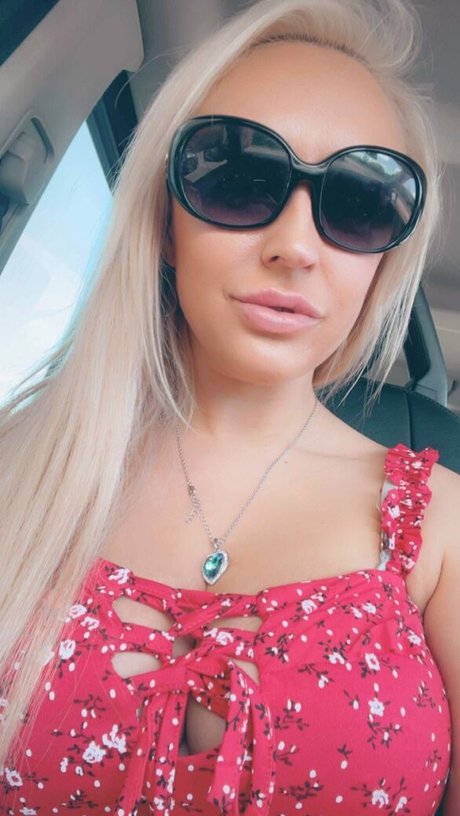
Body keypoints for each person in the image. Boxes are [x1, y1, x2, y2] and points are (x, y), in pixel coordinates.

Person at [0, 0, 458, 813]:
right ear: (164, 220)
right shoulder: (20, 466)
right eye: (241, 177)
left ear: (383, 264)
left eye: (361, 201)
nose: (296, 246)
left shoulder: (443, 529)